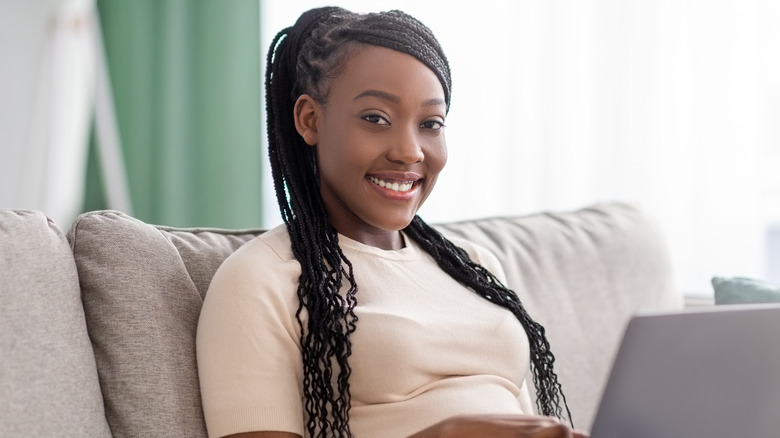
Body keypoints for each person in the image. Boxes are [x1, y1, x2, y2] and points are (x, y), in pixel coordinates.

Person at [196, 6, 586, 438]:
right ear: (311, 120)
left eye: (430, 124)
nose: (410, 151)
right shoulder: (263, 279)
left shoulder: (476, 266)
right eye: (376, 119)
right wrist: (444, 434)